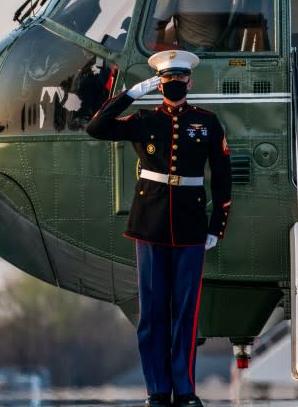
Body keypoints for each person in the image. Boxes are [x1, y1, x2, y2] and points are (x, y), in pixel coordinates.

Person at [86, 50, 232, 407]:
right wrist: (131, 94)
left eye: (179, 81)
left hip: (191, 224)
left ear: (189, 82)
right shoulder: (144, 119)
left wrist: (217, 226)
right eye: (168, 82)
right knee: (152, 312)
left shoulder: (207, 122)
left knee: (185, 312)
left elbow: (223, 178)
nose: (174, 87)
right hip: (150, 223)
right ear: (160, 84)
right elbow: (96, 127)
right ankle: (156, 390)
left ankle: (184, 391)